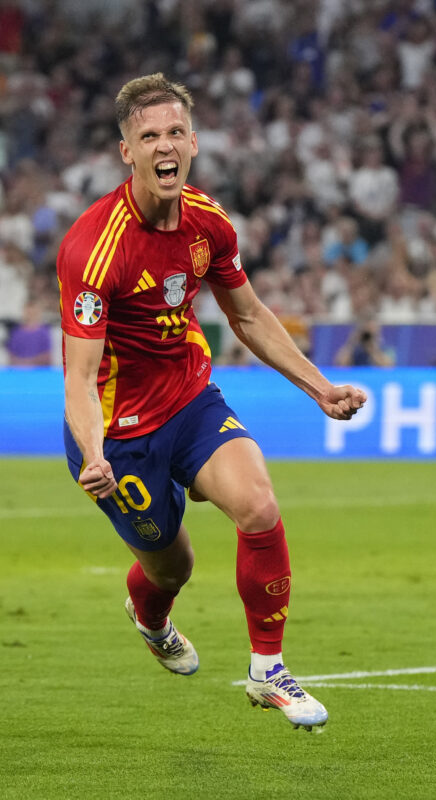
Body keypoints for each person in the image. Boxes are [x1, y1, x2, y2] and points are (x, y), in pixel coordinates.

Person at [57, 74, 366, 731]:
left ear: (192, 142)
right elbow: (79, 377)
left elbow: (248, 316)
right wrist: (92, 453)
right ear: (127, 152)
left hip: (190, 397)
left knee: (258, 504)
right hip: (118, 435)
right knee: (173, 565)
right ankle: (151, 614)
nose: (164, 145)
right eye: (149, 136)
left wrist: (321, 389)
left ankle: (267, 671)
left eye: (174, 132)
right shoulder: (93, 249)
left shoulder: (207, 222)